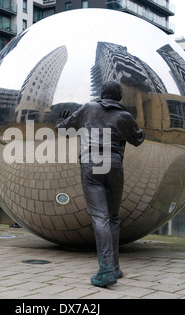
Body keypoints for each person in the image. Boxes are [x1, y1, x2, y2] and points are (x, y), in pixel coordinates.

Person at [56, 81, 144, 287]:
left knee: (100, 217)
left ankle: (106, 271)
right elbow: (139, 139)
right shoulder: (125, 116)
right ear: (119, 97)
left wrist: (58, 123)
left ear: (101, 94)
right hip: (114, 165)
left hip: (92, 164)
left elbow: (64, 128)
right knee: (113, 217)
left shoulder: (88, 109)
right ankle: (113, 266)